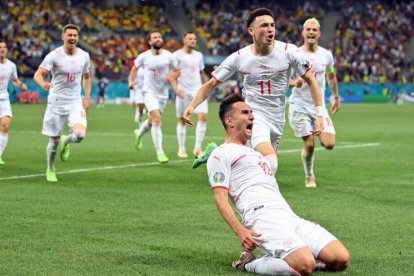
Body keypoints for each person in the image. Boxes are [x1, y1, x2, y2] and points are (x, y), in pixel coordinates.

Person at [207, 93, 350, 275]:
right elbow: (220, 199)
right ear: (229, 121)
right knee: (305, 265)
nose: (252, 116)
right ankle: (249, 263)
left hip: (288, 215)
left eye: (252, 112)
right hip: (261, 217)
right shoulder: (221, 154)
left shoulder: (257, 154)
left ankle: (293, 256)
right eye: (245, 112)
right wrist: (240, 231)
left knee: (341, 258)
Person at [184, 8, 324, 171]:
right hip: (254, 115)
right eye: (264, 25)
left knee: (253, 165)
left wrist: (319, 113)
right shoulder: (240, 57)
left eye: (272, 25)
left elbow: (311, 80)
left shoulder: (289, 51)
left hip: (277, 118)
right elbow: (211, 84)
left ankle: (215, 152)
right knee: (271, 164)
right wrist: (192, 106)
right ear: (251, 31)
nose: (270, 29)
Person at [33, 24, 92, 182]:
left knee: (80, 135)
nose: (72, 38)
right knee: (53, 140)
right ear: (63, 37)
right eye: (69, 35)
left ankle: (67, 140)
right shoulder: (54, 55)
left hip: (75, 101)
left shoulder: (84, 56)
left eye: (75, 35)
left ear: (78, 38)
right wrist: (43, 83)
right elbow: (38, 74)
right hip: (56, 101)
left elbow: (87, 76)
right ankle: (51, 169)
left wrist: (87, 96)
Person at [288, 18, 341, 188]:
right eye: (308, 29)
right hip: (299, 105)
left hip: (318, 107)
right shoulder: (295, 54)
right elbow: (282, 78)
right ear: (303, 32)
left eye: (314, 30)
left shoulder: (326, 55)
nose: (311, 32)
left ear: (319, 33)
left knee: (329, 144)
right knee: (309, 143)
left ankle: (316, 131)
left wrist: (336, 97)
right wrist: (293, 83)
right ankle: (309, 176)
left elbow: (331, 76)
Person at [128, 30, 179, 163]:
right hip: (149, 92)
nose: (158, 39)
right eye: (154, 37)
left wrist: (172, 76)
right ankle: (160, 152)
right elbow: (134, 68)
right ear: (150, 42)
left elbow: (178, 70)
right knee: (156, 120)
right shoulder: (144, 56)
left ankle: (138, 133)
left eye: (159, 37)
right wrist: (131, 81)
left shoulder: (169, 56)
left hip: (163, 94)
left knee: (152, 121)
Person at [172, 32, 207, 158]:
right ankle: (181, 149)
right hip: (183, 92)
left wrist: (205, 88)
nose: (193, 40)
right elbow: (172, 75)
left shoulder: (199, 55)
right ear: (184, 40)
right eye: (190, 38)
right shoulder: (176, 55)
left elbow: (201, 73)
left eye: (194, 38)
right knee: (182, 120)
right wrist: (176, 89)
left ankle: (198, 148)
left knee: (203, 117)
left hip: (198, 91)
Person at [0, 41, 28, 165]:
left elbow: (14, 79)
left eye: (4, 47)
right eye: (0, 47)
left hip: (4, 99)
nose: (2, 49)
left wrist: (21, 85)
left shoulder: (11, 65)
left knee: (5, 125)